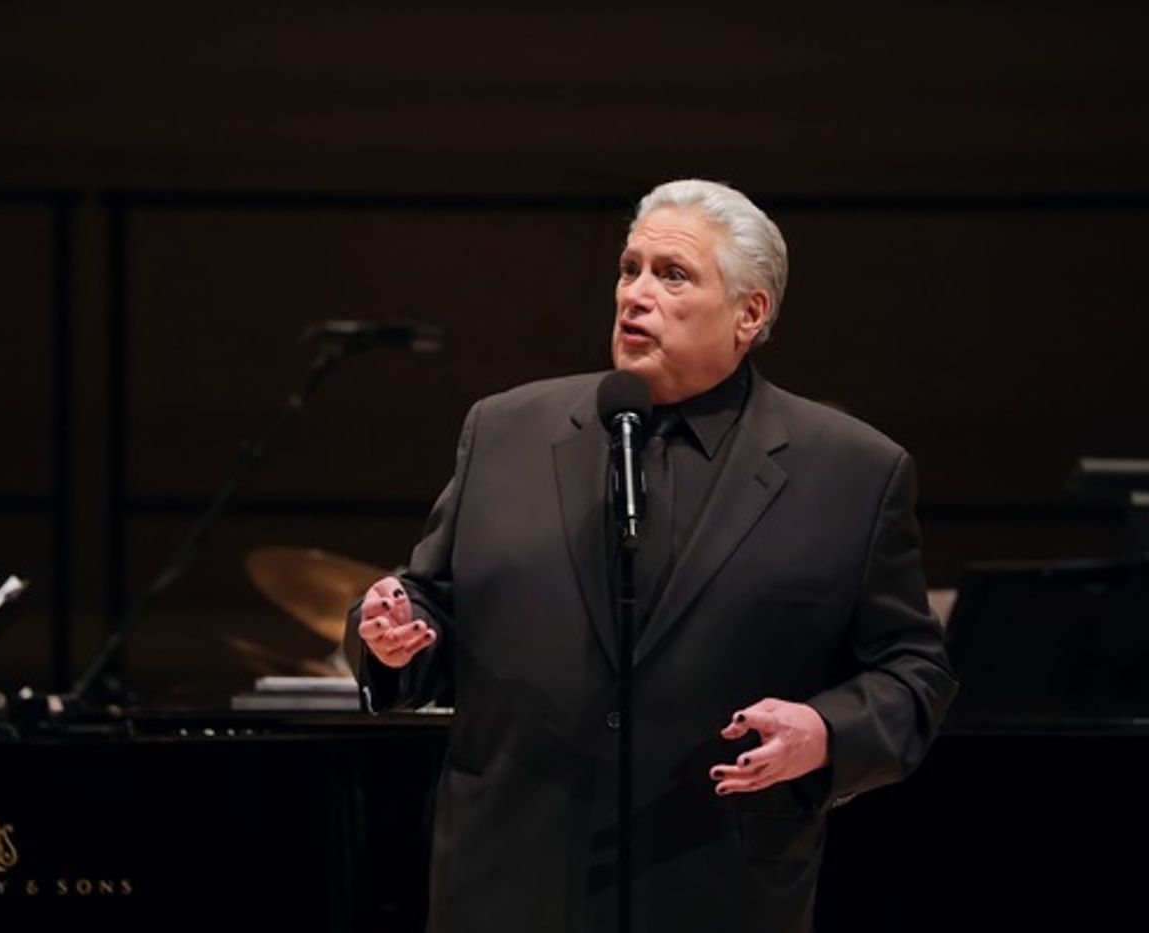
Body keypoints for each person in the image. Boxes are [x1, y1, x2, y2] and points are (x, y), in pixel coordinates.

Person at [346, 179, 958, 933]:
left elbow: (913, 672)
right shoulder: (506, 431)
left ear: (750, 313)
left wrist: (826, 731)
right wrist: (393, 634)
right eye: (628, 268)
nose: (636, 294)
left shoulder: (853, 471)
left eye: (672, 275)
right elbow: (428, 604)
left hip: (718, 889)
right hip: (511, 884)